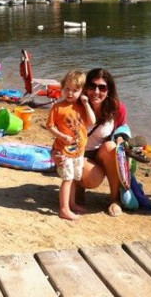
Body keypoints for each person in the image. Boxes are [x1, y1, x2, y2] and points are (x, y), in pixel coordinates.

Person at [77, 68, 128, 217]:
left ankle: (114, 199)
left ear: (109, 90)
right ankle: (79, 187)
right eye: (92, 86)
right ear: (85, 87)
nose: (96, 91)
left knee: (111, 147)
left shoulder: (117, 108)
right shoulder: (76, 105)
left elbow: (122, 129)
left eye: (102, 87)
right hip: (78, 153)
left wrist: (122, 139)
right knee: (94, 179)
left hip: (100, 154)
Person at [46, 70, 95, 220]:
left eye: (75, 90)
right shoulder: (57, 107)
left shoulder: (81, 106)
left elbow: (92, 122)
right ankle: (64, 209)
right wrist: (61, 136)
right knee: (67, 179)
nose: (70, 93)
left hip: (78, 151)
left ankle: (71, 204)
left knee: (74, 178)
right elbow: (50, 126)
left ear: (82, 91)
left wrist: (86, 104)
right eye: (67, 89)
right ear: (62, 88)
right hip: (64, 150)